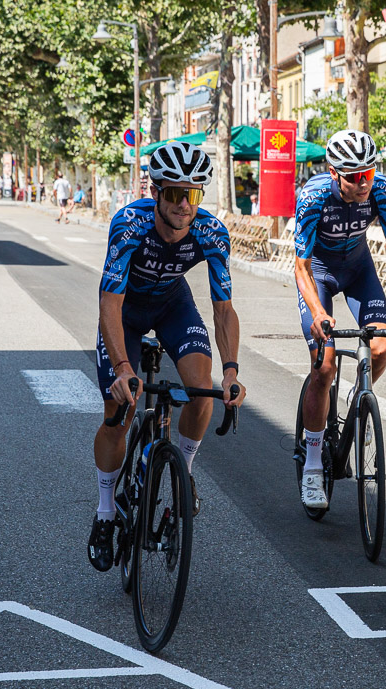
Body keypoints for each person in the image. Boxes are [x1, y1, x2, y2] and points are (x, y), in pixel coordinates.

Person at [88, 142, 246, 571]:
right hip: (127, 312)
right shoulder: (130, 224)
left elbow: (223, 308)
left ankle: (185, 471)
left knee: (201, 389)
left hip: (174, 305)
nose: (183, 204)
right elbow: (109, 303)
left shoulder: (212, 231)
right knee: (119, 407)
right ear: (155, 192)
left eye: (192, 194)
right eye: (174, 193)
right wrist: (123, 368)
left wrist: (231, 372)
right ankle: (105, 513)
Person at [293, 129, 386, 509]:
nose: (363, 184)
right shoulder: (314, 195)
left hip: (358, 270)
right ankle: (313, 468)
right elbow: (301, 266)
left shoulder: (381, 190)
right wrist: (320, 313)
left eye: (368, 174)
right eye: (354, 177)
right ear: (335, 173)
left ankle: (357, 395)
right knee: (324, 367)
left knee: (383, 347)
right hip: (318, 273)